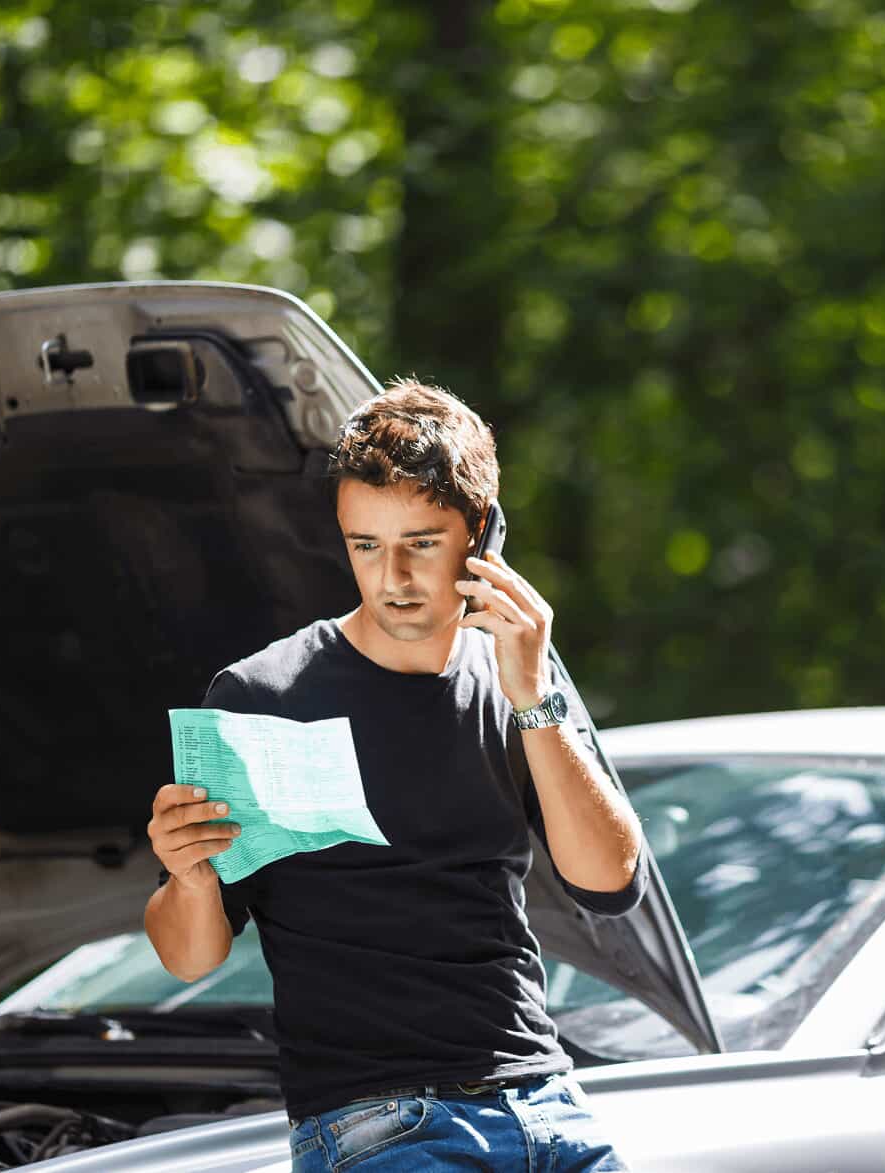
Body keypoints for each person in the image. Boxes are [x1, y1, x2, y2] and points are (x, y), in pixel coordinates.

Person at [142, 378, 641, 1171]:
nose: (393, 578)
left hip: (547, 1100)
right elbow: (191, 956)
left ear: (482, 534)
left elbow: (611, 882)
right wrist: (189, 878)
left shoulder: (520, 672)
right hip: (379, 1125)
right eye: (365, 545)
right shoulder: (263, 695)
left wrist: (533, 697)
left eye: (422, 542)